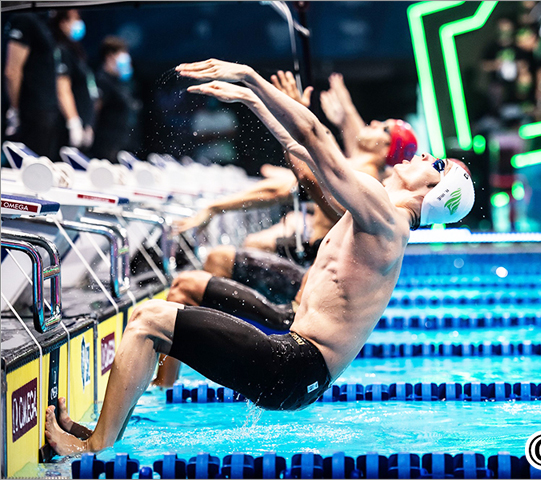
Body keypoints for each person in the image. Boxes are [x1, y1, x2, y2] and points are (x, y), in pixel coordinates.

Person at [44, 57, 474, 454]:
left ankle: (93, 449)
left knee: (149, 320)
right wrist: (257, 103)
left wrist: (249, 78)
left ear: (434, 193)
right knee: (158, 314)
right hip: (296, 364)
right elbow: (307, 157)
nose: (423, 157)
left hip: (295, 365)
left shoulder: (386, 218)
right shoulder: (381, 211)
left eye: (435, 165)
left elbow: (316, 136)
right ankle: (100, 435)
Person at [151, 72, 419, 387]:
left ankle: (174, 376)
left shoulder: (363, 178)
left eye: (382, 128)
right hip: (309, 282)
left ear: (388, 148)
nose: (371, 125)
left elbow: (301, 177)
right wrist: (332, 115)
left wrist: (292, 118)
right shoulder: (361, 174)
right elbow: (310, 164)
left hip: (306, 287)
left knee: (219, 262)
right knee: (240, 252)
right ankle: (203, 350)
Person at [3, 12, 61, 160]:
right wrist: (14, 109)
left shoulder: (44, 25)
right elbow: (12, 70)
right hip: (31, 111)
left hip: (45, 112)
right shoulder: (24, 19)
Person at [51, 9, 97, 152]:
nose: (79, 23)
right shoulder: (61, 50)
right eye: (74, 19)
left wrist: (88, 124)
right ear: (63, 23)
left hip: (83, 124)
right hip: (66, 125)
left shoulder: (77, 52)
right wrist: (73, 122)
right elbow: (62, 88)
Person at [91, 36, 137, 163]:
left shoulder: (119, 83)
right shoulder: (102, 80)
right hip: (105, 143)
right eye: (123, 55)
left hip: (119, 143)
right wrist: (88, 130)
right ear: (110, 57)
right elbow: (95, 109)